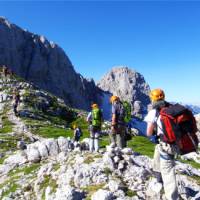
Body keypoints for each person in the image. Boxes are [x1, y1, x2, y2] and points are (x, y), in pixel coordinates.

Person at [144, 88, 179, 200]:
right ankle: (158, 179)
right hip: (174, 143)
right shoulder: (171, 108)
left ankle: (172, 197)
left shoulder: (154, 112)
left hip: (166, 144)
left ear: (153, 99)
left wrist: (154, 132)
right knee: (157, 155)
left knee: (168, 172)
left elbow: (148, 132)